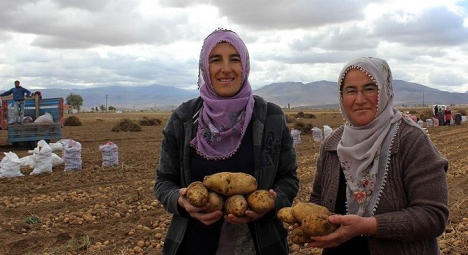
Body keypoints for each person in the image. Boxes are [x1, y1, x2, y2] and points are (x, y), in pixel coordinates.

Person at [154, 28, 299, 255]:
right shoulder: (182, 119)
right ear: (205, 67)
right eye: (215, 59)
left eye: (234, 59)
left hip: (260, 246)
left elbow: (288, 178)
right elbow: (163, 182)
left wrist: (270, 204)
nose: (226, 68)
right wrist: (183, 202)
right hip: (193, 245)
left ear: (245, 66)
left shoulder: (270, 117)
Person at [309, 57, 449, 254]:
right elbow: (317, 201)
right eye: (351, 91)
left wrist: (369, 226)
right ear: (341, 96)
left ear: (384, 91)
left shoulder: (411, 140)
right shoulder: (332, 145)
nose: (359, 99)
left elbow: (433, 216)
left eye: (369, 88)